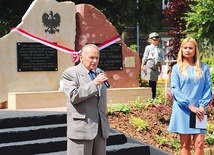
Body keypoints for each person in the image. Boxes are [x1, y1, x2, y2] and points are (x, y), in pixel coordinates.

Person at [62, 44, 110, 155]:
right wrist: (94, 84)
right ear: (81, 57)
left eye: (97, 58)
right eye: (91, 57)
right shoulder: (71, 73)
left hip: (100, 129)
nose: (94, 61)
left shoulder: (99, 72)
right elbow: (73, 96)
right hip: (82, 129)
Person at [168, 37, 212, 155]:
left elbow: (208, 88)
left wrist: (202, 106)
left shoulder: (204, 68)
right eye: (185, 48)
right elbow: (175, 89)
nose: (188, 50)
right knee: (185, 144)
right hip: (183, 110)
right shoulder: (177, 68)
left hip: (200, 111)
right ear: (181, 50)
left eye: (190, 48)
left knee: (200, 143)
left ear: (195, 50)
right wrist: (190, 106)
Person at [141, 32, 162, 99]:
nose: (156, 41)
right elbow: (145, 57)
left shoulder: (159, 50)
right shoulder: (148, 47)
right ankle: (150, 96)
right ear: (150, 40)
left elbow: (160, 60)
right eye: (154, 40)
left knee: (154, 82)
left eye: (157, 40)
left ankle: (154, 97)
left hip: (156, 66)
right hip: (150, 64)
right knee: (150, 80)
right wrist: (142, 65)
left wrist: (160, 69)